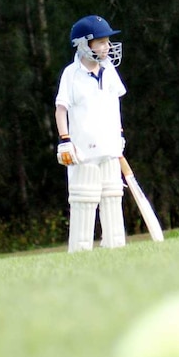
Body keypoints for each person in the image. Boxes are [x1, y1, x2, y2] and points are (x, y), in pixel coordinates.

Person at [54, 15, 128, 252]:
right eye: (101, 42)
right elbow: (61, 109)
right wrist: (65, 140)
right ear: (84, 44)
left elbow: (114, 103)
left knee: (112, 197)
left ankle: (116, 249)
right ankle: (80, 252)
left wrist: (118, 134)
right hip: (83, 151)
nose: (107, 46)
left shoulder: (109, 70)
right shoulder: (70, 74)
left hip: (109, 148)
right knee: (84, 201)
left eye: (108, 41)